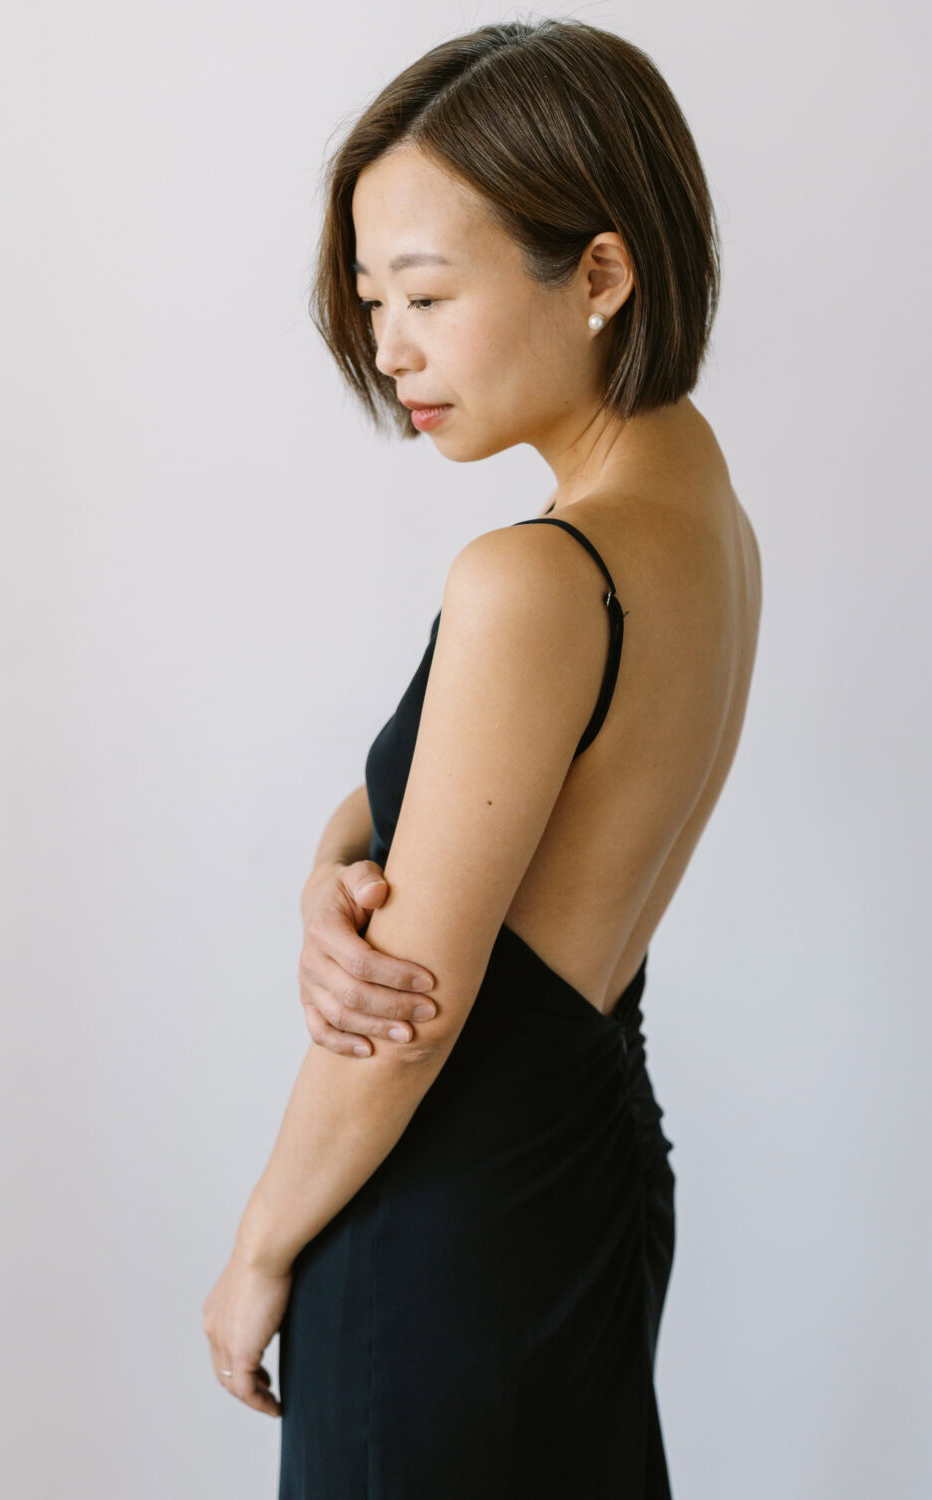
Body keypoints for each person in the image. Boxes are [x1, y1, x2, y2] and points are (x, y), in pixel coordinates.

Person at [203, 17, 761, 1497]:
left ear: (599, 272)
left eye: (428, 296)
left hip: (441, 1222)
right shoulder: (694, 507)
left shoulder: (530, 576)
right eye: (373, 296)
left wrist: (261, 1249)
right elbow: (480, 808)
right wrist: (341, 866)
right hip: (582, 1185)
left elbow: (411, 1014)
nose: (389, 350)